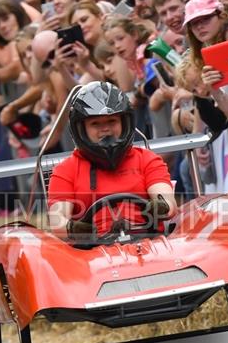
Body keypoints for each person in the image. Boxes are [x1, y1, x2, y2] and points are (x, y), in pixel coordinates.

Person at [47, 81, 177, 240]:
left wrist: (160, 207)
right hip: (91, 253)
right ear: (81, 128)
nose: (105, 129)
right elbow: (57, 220)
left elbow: (168, 202)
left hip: (148, 246)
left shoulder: (147, 159)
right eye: (95, 123)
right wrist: (75, 229)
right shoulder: (65, 170)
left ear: (123, 122)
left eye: (112, 121)